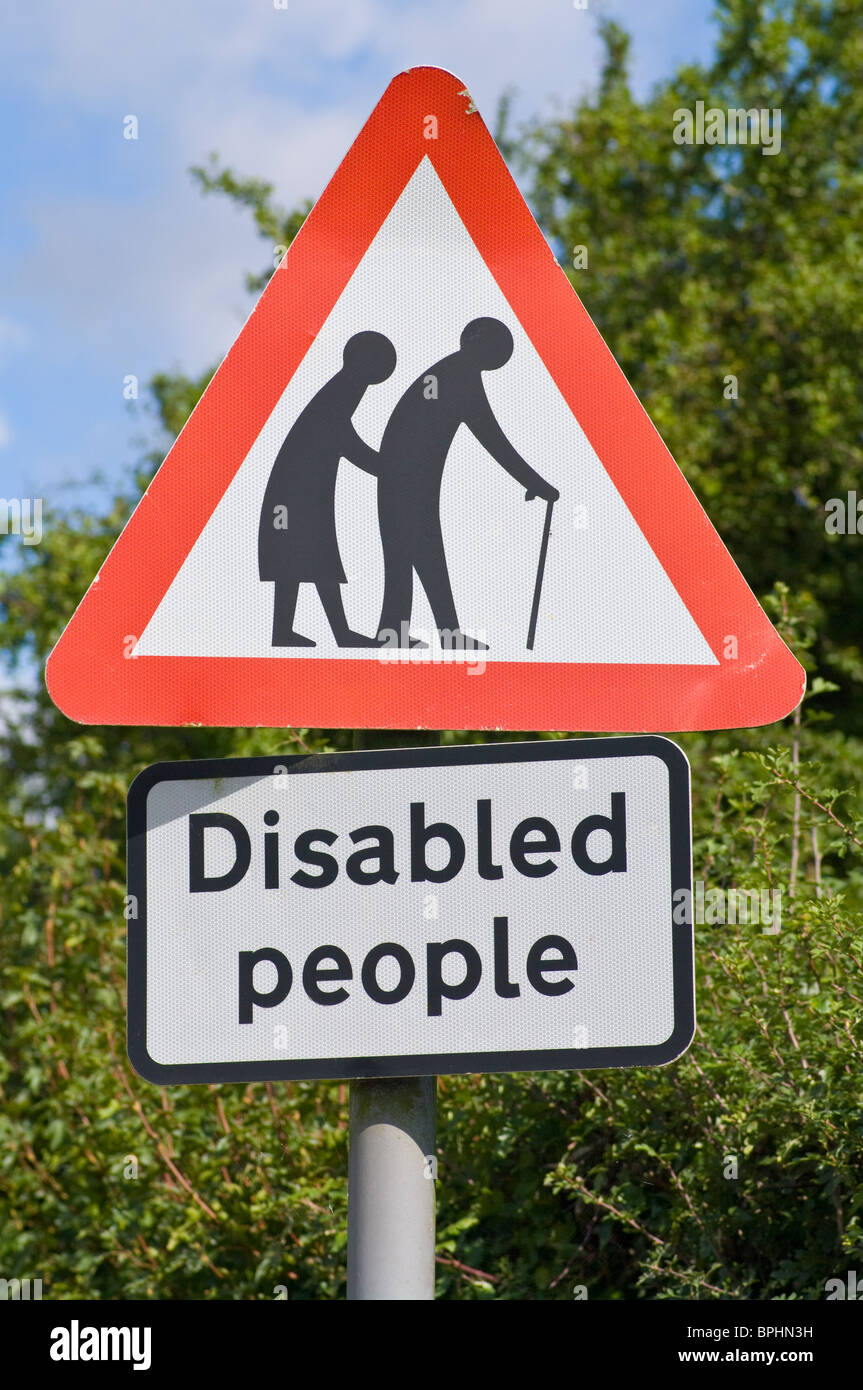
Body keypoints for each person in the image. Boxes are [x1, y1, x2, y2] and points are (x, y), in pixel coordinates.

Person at [374, 318, 558, 649]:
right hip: (406, 482)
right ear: (475, 343)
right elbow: (493, 438)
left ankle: (404, 632)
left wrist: (535, 483)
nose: (499, 354)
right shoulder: (460, 377)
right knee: (415, 553)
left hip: (407, 480)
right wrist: (538, 484)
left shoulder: (454, 372)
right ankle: (412, 633)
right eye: (495, 346)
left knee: (417, 553)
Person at [258, 331, 396, 647]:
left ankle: (328, 633)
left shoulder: (344, 386)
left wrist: (382, 467)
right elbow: (342, 436)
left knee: (310, 559)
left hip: (304, 488)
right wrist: (388, 469)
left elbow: (340, 435)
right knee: (305, 558)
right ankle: (308, 633)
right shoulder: (344, 388)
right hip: (299, 490)